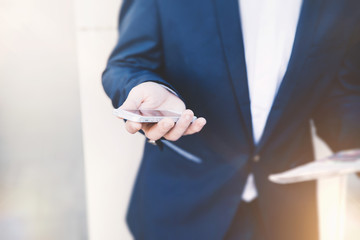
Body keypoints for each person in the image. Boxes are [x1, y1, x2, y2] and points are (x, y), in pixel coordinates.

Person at [102, 0, 360, 239]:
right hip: (185, 205)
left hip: (285, 213)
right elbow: (128, 63)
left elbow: (337, 94)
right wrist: (144, 86)